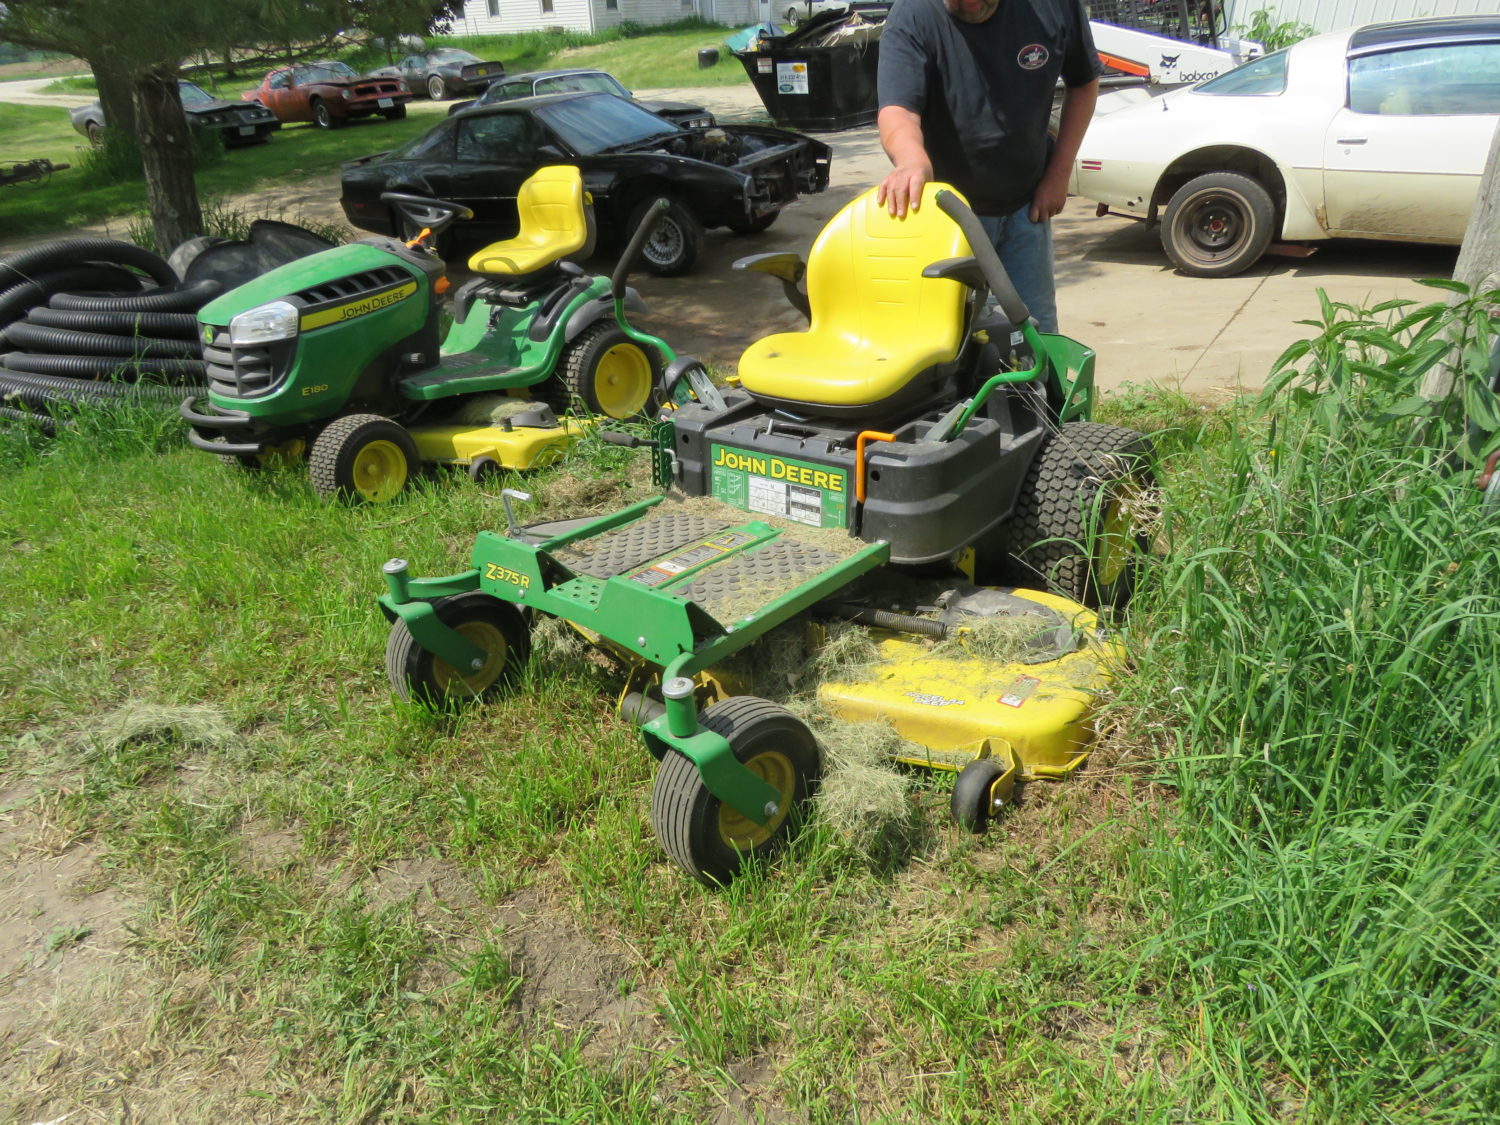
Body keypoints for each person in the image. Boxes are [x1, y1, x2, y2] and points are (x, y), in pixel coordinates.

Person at [876, 0, 1102, 333]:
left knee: (1035, 337)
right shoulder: (913, 14)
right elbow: (898, 110)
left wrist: (1058, 174)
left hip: (1027, 210)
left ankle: (1038, 388)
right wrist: (911, 158)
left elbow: (1084, 81)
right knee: (955, 342)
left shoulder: (1053, 6)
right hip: (949, 221)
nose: (971, 4)